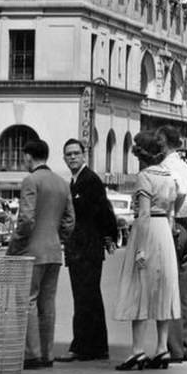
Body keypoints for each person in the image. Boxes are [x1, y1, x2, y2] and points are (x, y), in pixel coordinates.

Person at [112, 131, 181, 370]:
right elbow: (173, 209)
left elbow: (142, 214)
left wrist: (140, 248)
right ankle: (162, 348)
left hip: (149, 229)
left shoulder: (144, 176)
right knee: (163, 289)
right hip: (164, 231)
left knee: (138, 290)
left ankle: (138, 351)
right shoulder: (169, 177)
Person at [9, 138, 76, 369]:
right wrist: (58, 239)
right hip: (54, 250)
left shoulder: (31, 180)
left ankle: (32, 353)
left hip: (31, 251)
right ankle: (47, 353)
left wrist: (15, 246)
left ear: (28, 156)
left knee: (27, 301)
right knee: (48, 303)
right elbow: (69, 220)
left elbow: (26, 219)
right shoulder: (61, 183)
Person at [58, 138, 118, 361]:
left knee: (86, 296)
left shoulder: (89, 180)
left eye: (76, 153)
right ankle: (93, 346)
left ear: (84, 155)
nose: (72, 157)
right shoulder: (75, 181)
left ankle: (85, 347)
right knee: (86, 296)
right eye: (68, 154)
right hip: (80, 247)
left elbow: (103, 210)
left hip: (86, 248)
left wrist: (108, 236)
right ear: (64, 158)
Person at [157, 124, 187, 363]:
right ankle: (185, 344)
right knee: (184, 291)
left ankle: (174, 348)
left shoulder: (168, 167)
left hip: (171, 226)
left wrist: (169, 213)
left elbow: (178, 189)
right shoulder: (185, 166)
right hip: (185, 227)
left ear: (163, 142)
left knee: (169, 289)